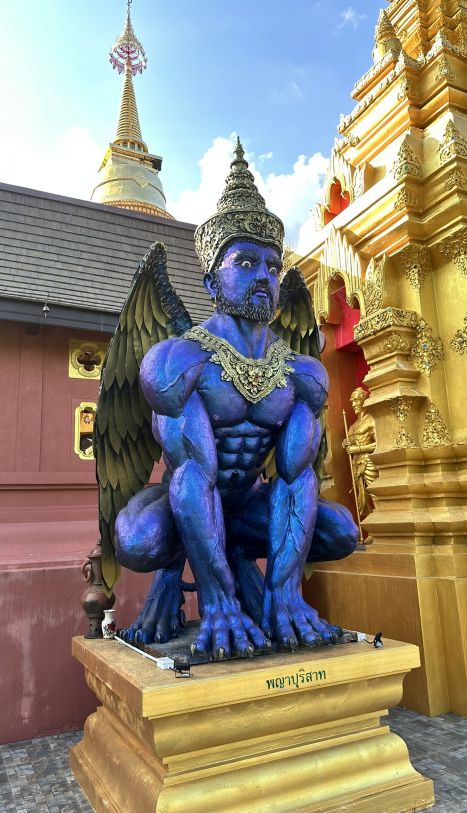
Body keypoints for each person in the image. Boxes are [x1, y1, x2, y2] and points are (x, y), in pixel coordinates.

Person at [115, 140, 358, 658]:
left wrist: (285, 591)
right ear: (211, 280)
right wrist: (218, 600)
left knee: (340, 532)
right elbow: (192, 477)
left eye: (272, 266)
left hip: (245, 505)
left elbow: (295, 479)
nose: (264, 277)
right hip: (184, 501)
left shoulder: (302, 375)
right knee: (136, 539)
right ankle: (182, 576)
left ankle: (252, 573)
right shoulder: (179, 363)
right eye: (245, 263)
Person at [342, 387, 377, 521]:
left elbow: (379, 444)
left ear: (364, 401)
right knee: (362, 500)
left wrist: (358, 449)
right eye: (352, 402)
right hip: (356, 464)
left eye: (356, 400)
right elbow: (351, 442)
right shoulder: (353, 426)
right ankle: (372, 528)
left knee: (374, 494)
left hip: (368, 463)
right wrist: (345, 443)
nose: (354, 404)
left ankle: (383, 524)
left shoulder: (372, 419)